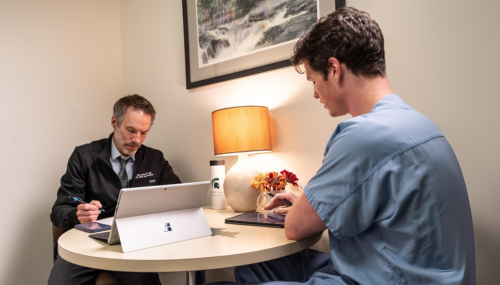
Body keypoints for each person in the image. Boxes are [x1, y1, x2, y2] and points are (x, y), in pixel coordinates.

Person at [222, 7, 476, 285]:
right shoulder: (422, 126)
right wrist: (310, 203)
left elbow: (295, 228)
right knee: (256, 267)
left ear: (334, 69)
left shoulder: (362, 136)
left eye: (314, 80)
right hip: (420, 272)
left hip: (384, 279)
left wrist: (303, 209)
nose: (315, 93)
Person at [49, 94, 181, 285]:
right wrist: (76, 214)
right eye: (131, 130)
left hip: (135, 243)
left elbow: (178, 198)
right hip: (87, 243)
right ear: (114, 122)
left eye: (143, 132)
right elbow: (59, 209)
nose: (137, 139)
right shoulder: (84, 156)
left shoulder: (155, 159)